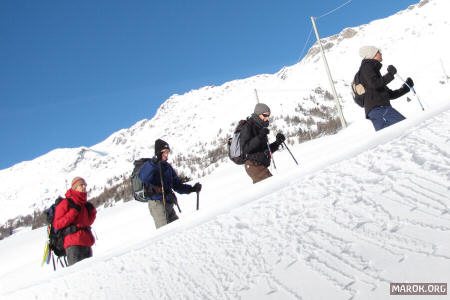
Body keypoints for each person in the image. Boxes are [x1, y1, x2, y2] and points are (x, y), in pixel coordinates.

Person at [138, 139, 202, 229]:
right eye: (164, 152)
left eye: (167, 152)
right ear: (158, 152)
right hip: (157, 204)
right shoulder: (150, 165)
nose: (166, 155)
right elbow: (142, 177)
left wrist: (192, 189)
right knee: (165, 232)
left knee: (177, 230)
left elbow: (177, 185)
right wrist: (154, 162)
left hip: (168, 203)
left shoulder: (167, 167)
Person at [358, 46, 414, 131]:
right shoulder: (366, 67)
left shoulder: (373, 71)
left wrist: (406, 87)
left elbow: (390, 94)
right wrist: (390, 74)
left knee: (390, 138)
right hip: (379, 109)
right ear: (372, 54)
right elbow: (375, 84)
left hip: (379, 110)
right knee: (406, 128)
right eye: (378, 52)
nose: (381, 53)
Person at [53, 177, 96, 266]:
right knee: (77, 275)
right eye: (81, 185)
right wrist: (73, 212)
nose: (84, 187)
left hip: (86, 242)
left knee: (90, 273)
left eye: (85, 185)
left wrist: (92, 212)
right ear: (75, 187)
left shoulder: (83, 204)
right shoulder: (66, 203)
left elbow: (87, 223)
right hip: (73, 244)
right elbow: (57, 224)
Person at [240, 103, 285, 184]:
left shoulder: (260, 127)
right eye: (265, 115)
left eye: (268, 116)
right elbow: (245, 149)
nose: (267, 118)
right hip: (253, 165)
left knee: (269, 190)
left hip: (260, 165)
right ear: (258, 114)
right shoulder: (248, 126)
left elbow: (265, 151)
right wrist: (260, 136)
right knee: (272, 187)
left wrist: (277, 143)